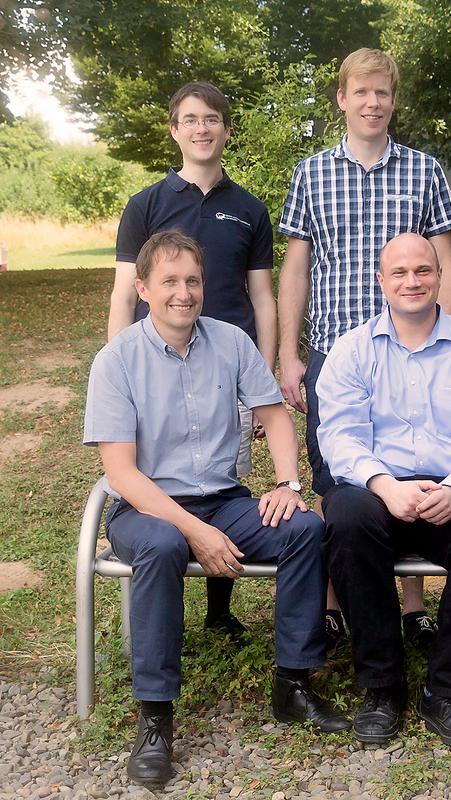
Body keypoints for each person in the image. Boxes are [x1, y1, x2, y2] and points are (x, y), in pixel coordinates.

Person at [84, 231, 349, 787]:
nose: (184, 293)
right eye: (170, 282)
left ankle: (293, 684)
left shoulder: (231, 341)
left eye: (193, 281)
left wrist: (287, 482)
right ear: (143, 289)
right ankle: (155, 715)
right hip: (148, 508)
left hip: (223, 500)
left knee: (303, 528)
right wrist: (193, 531)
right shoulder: (117, 360)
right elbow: (123, 473)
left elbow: (275, 415)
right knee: (162, 545)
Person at [278, 48, 451, 650]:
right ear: (342, 99)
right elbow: (296, 269)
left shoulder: (425, 171)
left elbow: (447, 262)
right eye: (361, 92)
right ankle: (335, 604)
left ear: (393, 99)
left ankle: (413, 607)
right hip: (336, 353)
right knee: (340, 481)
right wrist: (288, 353)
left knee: (414, 466)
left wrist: (449, 344)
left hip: (411, 349)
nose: (372, 103)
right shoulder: (311, 174)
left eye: (382, 93)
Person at [316, 233, 451, 746]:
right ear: (380, 281)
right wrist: (384, 486)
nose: (413, 281)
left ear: (439, 276)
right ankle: (382, 686)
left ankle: (449, 689)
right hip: (375, 490)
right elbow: (338, 436)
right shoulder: (352, 350)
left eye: (423, 271)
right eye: (400, 273)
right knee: (345, 521)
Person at [108, 81, 277, 641]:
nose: (202, 128)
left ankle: (219, 608)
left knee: (220, 476)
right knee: (173, 470)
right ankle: (168, 608)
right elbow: (122, 294)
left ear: (227, 130)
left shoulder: (249, 209)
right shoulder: (147, 205)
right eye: (190, 119)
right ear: (175, 130)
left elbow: (263, 298)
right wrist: (118, 364)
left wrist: (266, 380)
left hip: (228, 365)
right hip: (159, 359)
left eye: (212, 119)